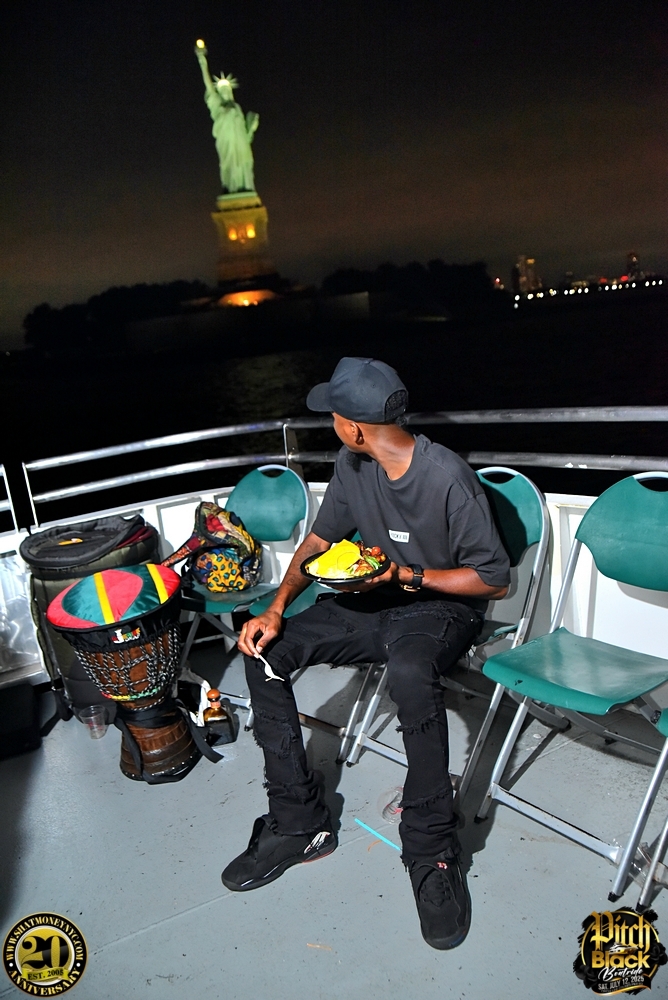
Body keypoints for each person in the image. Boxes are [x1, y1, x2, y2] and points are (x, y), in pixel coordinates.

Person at [222, 357, 510, 950]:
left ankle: (431, 850)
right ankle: (299, 823)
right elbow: (320, 540)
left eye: (333, 415)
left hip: (439, 608)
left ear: (353, 426)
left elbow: (493, 580)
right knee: (265, 650)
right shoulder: (353, 463)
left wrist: (407, 575)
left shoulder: (448, 477)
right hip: (370, 599)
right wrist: (275, 608)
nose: (332, 424)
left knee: (410, 672)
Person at [194, 41, 259, 194]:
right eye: (222, 90)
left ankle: (246, 188)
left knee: (245, 162)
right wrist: (202, 62)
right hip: (227, 143)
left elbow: (245, 133)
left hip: (241, 143)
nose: (225, 92)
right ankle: (231, 189)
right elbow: (209, 85)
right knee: (228, 165)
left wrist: (251, 128)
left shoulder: (237, 107)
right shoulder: (218, 105)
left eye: (227, 89)